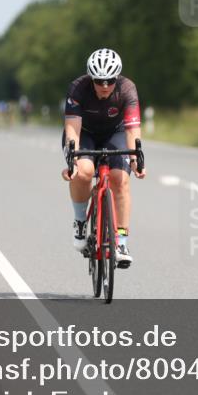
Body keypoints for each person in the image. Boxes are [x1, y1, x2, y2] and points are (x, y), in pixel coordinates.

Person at [61, 48, 145, 268]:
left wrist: (136, 160)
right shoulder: (78, 88)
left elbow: (132, 129)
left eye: (109, 80)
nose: (105, 86)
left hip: (115, 133)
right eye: (99, 81)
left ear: (116, 77)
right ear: (91, 78)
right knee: (85, 171)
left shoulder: (127, 89)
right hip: (84, 134)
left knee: (120, 179)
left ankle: (121, 242)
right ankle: (80, 222)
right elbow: (72, 130)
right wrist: (73, 161)